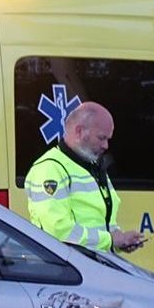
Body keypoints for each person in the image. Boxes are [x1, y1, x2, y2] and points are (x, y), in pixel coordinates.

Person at [24, 101, 146, 253]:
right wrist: (111, 239)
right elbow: (57, 231)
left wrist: (120, 240)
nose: (106, 146)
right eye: (101, 138)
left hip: (93, 266)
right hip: (71, 269)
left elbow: (102, 222)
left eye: (108, 139)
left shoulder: (91, 165)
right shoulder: (50, 168)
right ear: (79, 131)